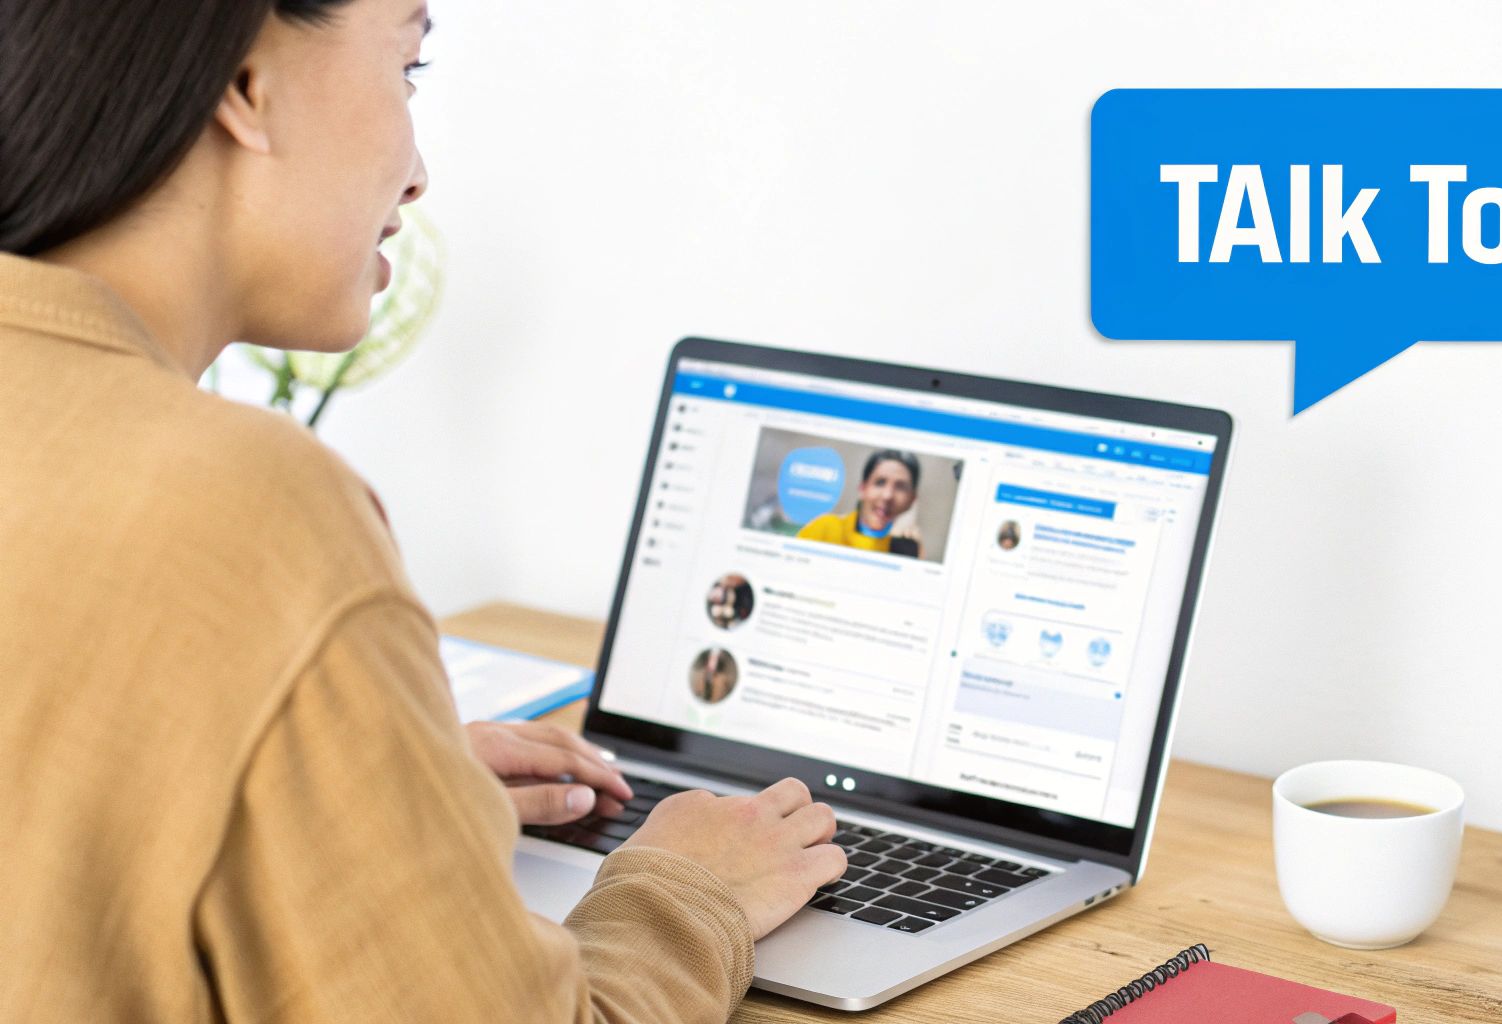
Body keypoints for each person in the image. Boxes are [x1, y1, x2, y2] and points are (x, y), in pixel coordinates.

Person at [0, 2, 843, 1021]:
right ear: (244, 87)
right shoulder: (248, 508)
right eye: (411, 63)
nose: (417, 171)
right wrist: (685, 889)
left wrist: (371, 799)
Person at [796, 448, 923, 557]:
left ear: (911, 500)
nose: (887, 496)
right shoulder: (824, 529)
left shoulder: (907, 549)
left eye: (900, 487)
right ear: (862, 488)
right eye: (880, 482)